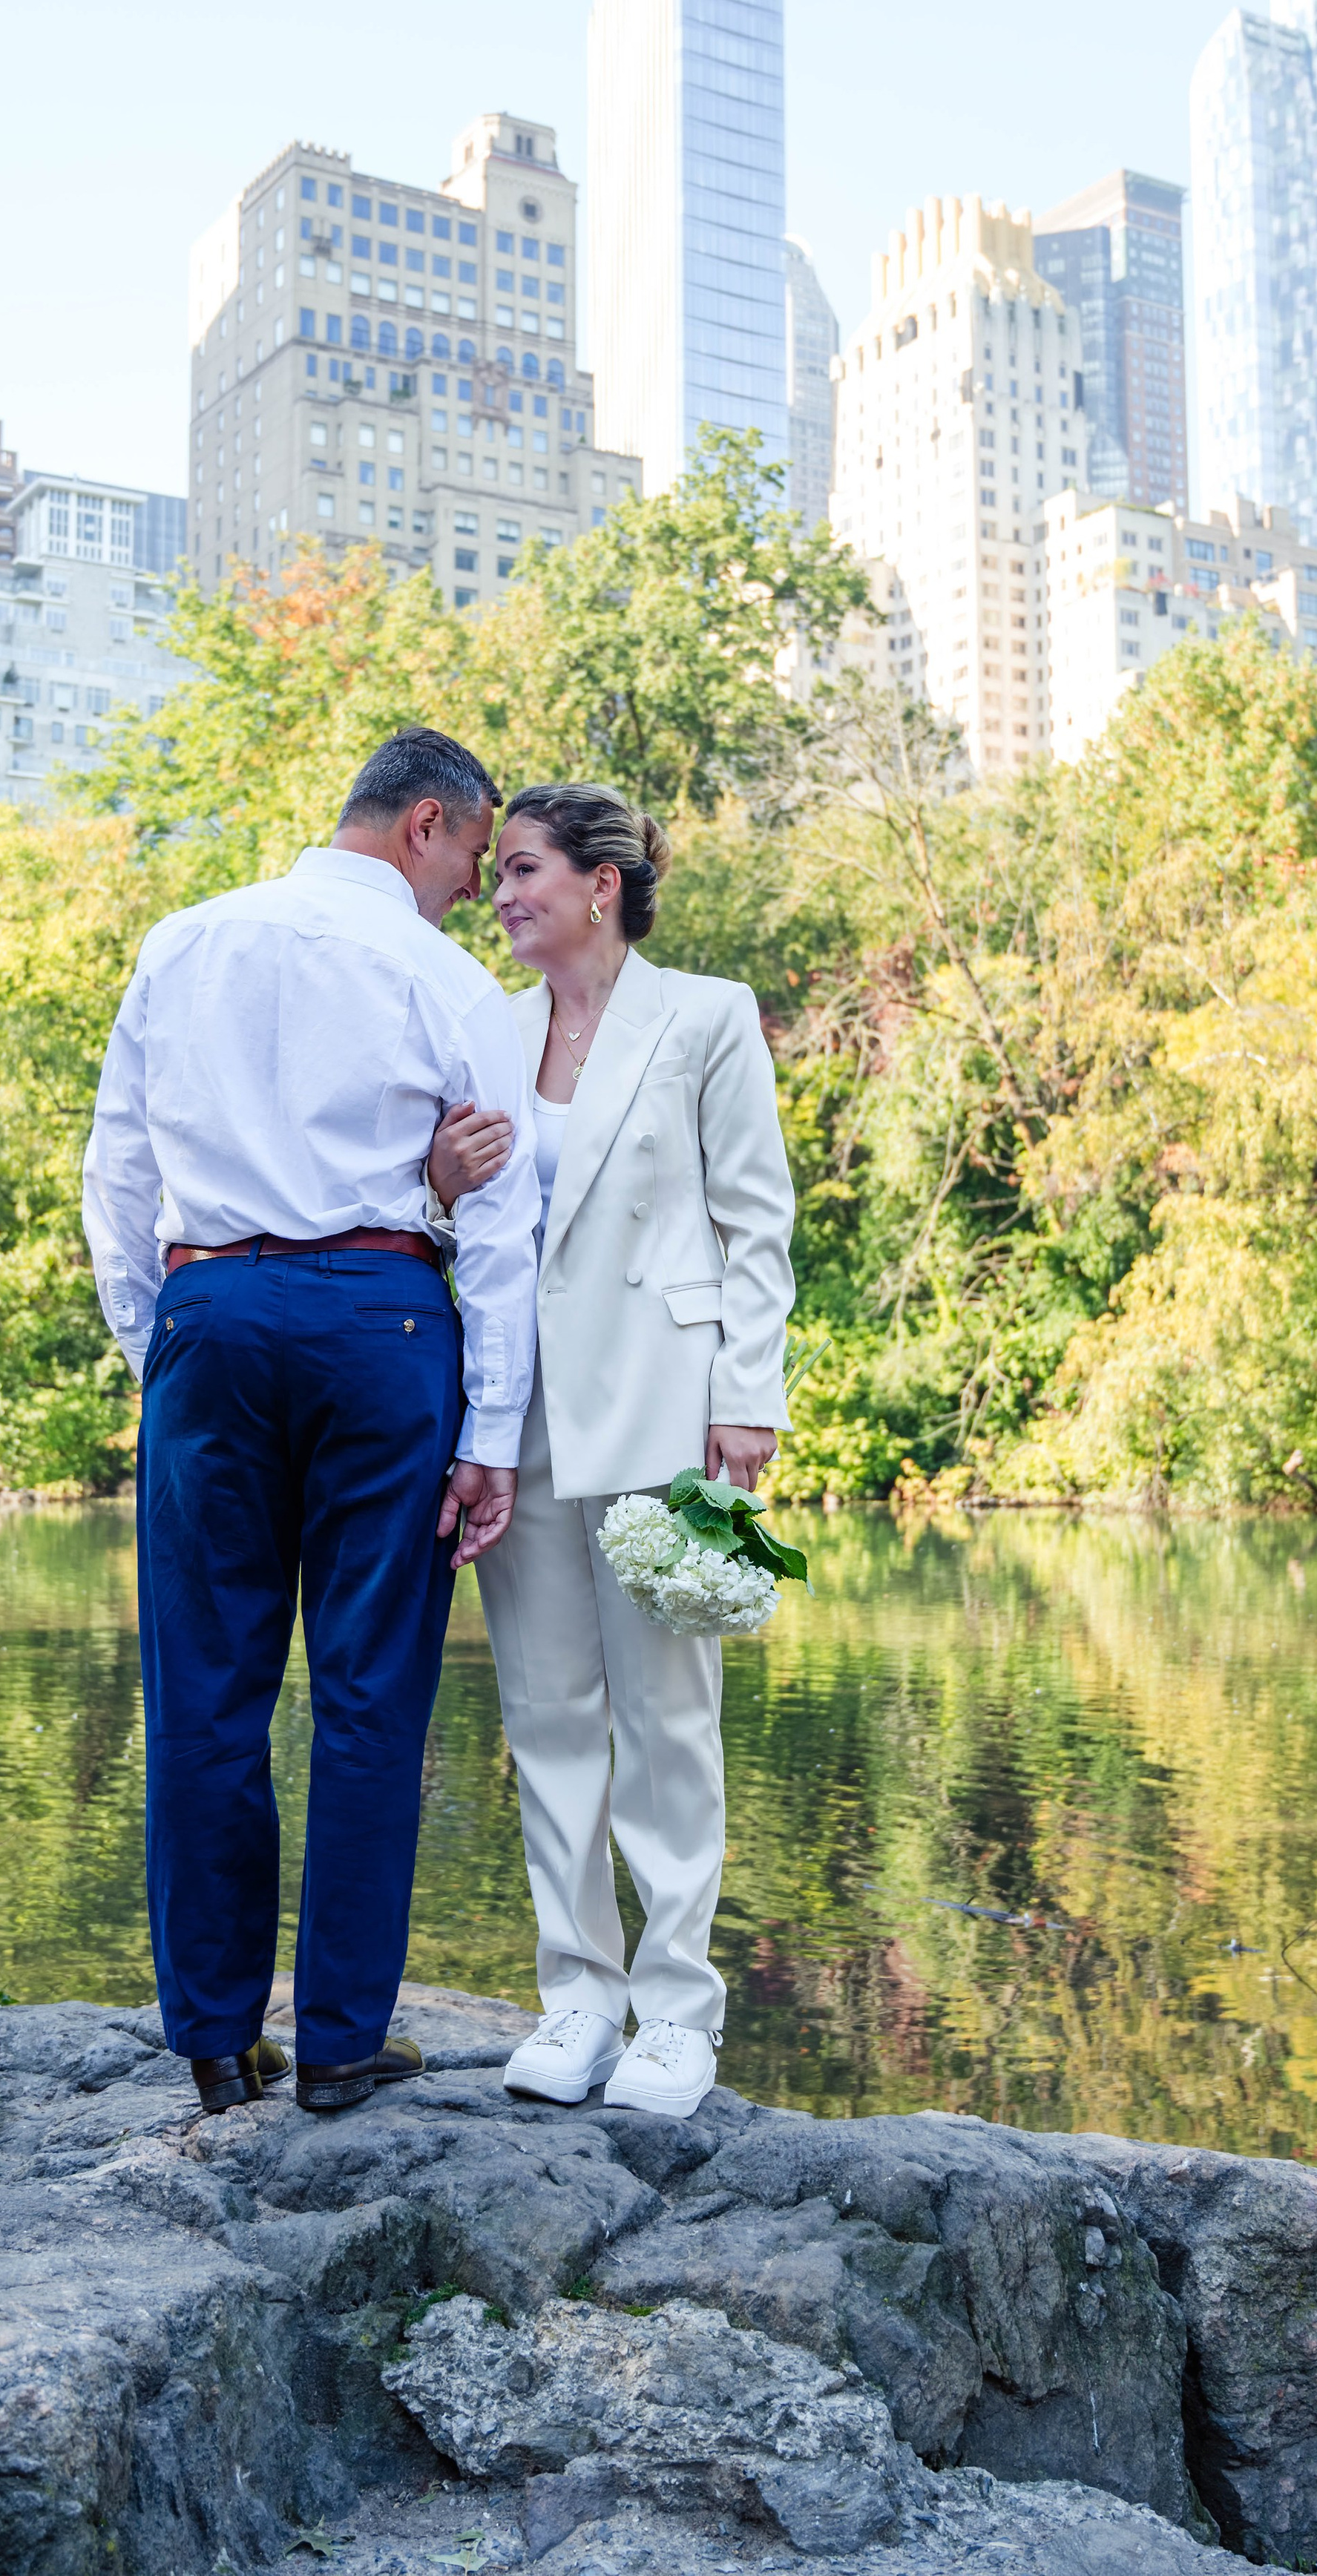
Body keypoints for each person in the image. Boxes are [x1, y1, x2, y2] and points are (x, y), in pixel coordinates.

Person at [82, 729, 539, 2119]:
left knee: (205, 1690)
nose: (474, 888)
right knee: (367, 1694)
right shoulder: (440, 974)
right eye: (472, 853)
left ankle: (218, 2042)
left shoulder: (184, 940)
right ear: (421, 826)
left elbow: (119, 1168)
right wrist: (494, 1429)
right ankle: (341, 2039)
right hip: (381, 1325)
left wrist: (154, 1340)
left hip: (210, 1315)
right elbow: (505, 1217)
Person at [427, 783, 794, 2120]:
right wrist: (443, 1183)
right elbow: (464, 1217)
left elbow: (757, 1220)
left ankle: (678, 2015)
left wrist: (748, 1397)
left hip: (664, 1400)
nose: (500, 892)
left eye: (522, 869)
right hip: (517, 1417)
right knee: (548, 1718)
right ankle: (577, 2000)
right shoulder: (490, 1027)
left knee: (666, 1719)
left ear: (603, 882)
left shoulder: (704, 1016)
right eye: (498, 871)